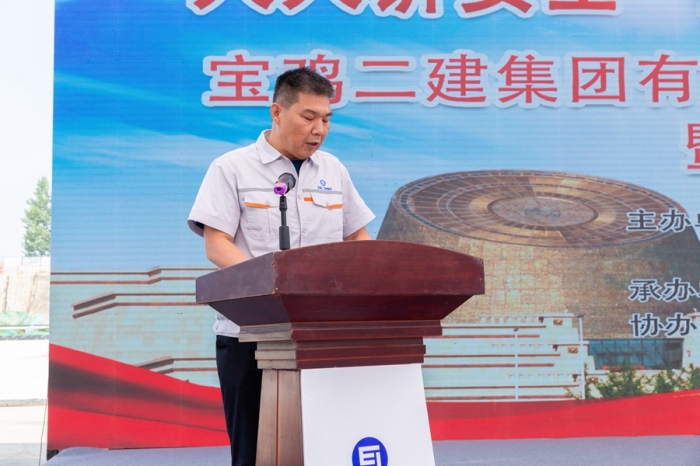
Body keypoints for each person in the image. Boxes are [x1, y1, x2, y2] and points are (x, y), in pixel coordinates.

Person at [187, 67, 375, 466]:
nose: (319, 130)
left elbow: (359, 237)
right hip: (250, 336)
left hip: (321, 334)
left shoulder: (334, 170)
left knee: (323, 449)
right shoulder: (232, 168)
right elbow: (216, 245)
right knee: (255, 451)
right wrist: (270, 290)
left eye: (326, 120)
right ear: (277, 112)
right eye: (308, 117)